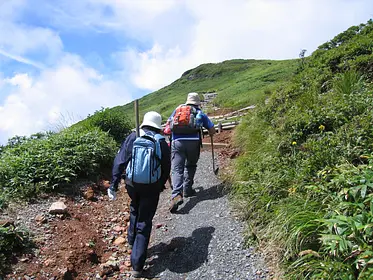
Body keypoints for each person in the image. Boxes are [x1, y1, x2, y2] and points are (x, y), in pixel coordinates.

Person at [108, 111, 171, 278]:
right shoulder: (161, 141)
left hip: (131, 185)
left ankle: (131, 241)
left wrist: (113, 185)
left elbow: (120, 161)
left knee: (134, 207)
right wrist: (160, 185)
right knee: (144, 221)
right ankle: (137, 265)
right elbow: (166, 167)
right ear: (158, 125)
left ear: (144, 123)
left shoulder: (133, 136)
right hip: (151, 186)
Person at [168, 92, 215, 213]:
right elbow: (211, 129)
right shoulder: (199, 112)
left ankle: (177, 194)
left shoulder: (178, 109)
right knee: (191, 165)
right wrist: (210, 132)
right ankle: (188, 189)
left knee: (177, 169)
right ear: (197, 102)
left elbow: (169, 125)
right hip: (193, 142)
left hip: (177, 142)